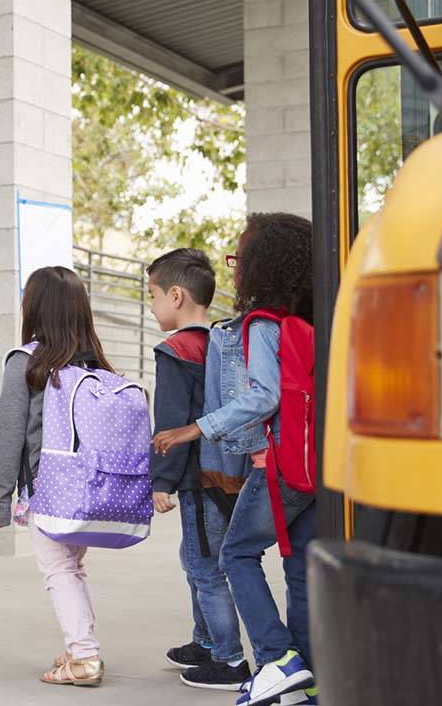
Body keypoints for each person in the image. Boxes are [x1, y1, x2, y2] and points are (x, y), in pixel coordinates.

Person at [153, 213, 318, 706]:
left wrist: (195, 428)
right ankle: (305, 674)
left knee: (237, 554)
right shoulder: (312, 321)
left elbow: (264, 396)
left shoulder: (262, 325)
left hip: (282, 466)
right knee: (300, 567)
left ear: (262, 268)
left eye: (240, 259)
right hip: (318, 465)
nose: (235, 269)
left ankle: (277, 657)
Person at [0, 266, 116, 687]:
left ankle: (84, 656)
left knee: (58, 570)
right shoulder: (95, 364)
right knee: (72, 568)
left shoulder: (26, 362)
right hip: (89, 486)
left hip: (48, 487)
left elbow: (8, 436)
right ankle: (81, 646)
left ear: (35, 308)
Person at [146, 249, 251, 690]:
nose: (151, 306)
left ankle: (228, 660)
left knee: (206, 567)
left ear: (175, 296)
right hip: (229, 472)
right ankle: (204, 641)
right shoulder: (221, 344)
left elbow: (169, 421)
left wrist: (161, 482)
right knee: (198, 560)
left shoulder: (176, 350)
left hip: (196, 477)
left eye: (151, 296)